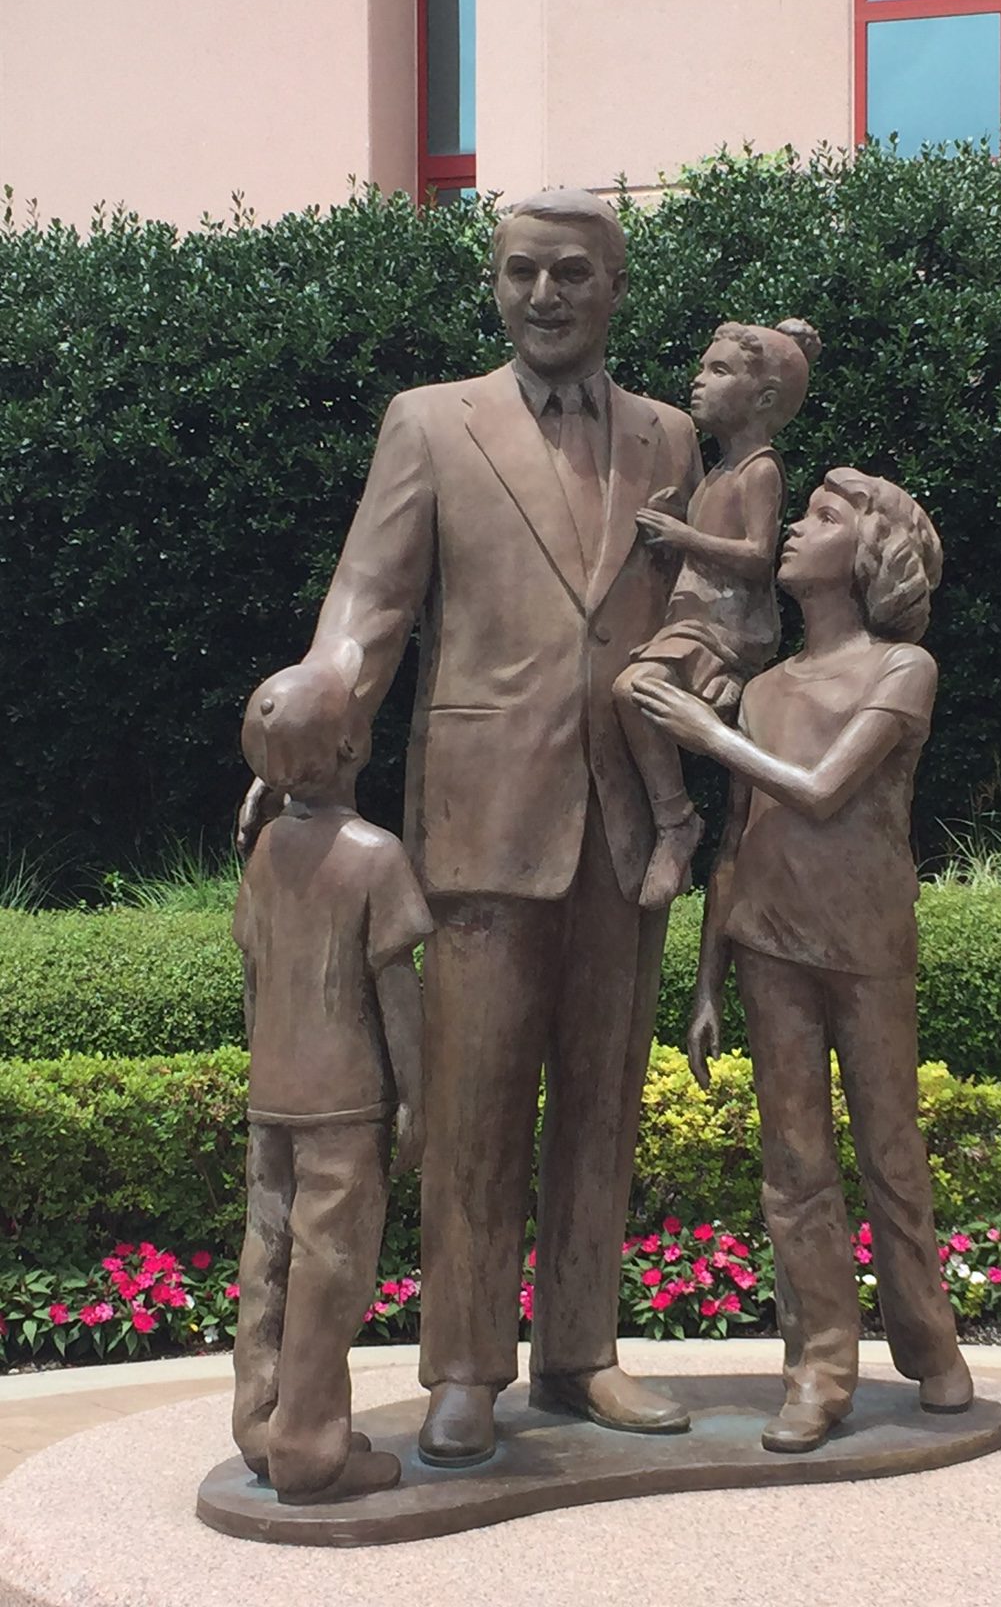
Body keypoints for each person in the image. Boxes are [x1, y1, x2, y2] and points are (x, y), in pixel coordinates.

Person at [238, 190, 705, 1468]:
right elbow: (366, 604)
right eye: (519, 274)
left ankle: (581, 1353)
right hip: (482, 814)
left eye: (570, 274)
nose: (543, 295)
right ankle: (462, 1371)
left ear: (614, 286)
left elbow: (704, 603)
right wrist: (299, 729)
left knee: (604, 1096)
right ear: (494, 286)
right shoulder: (431, 424)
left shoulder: (672, 439)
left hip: (627, 814)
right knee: (472, 1102)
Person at [631, 468, 974, 1454]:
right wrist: (704, 983)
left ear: (869, 553)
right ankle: (820, 1365)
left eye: (824, 518)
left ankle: (931, 1347)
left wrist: (703, 732)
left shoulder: (902, 670)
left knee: (892, 1152)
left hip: (866, 943)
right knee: (794, 1166)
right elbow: (737, 843)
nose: (794, 528)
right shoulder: (770, 688)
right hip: (768, 944)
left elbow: (823, 789)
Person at [231, 661, 432, 1502]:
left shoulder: (269, 847)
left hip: (273, 1090)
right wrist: (418, 1095)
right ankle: (311, 1450)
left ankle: (261, 1425)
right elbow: (396, 993)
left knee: (266, 1255)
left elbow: (250, 976)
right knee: (331, 1268)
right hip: (346, 1102)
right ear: (355, 745)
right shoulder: (374, 856)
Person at [613, 318, 820, 911]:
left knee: (634, 689)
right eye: (703, 367)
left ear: (764, 399)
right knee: (635, 690)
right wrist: (679, 515)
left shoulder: (760, 470)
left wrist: (682, 535)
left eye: (718, 370)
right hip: (692, 622)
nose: (698, 381)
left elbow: (759, 558)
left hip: (726, 627)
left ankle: (676, 820)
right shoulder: (720, 471)